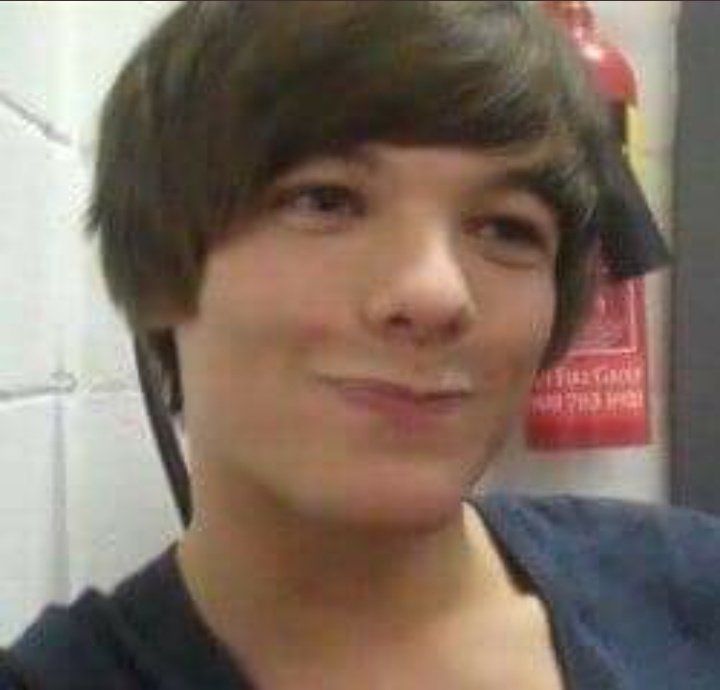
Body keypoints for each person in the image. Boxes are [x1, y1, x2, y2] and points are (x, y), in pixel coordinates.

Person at [3, 1, 717, 688]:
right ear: (161, 269)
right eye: (326, 201)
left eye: (505, 228)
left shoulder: (690, 593)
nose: (437, 294)